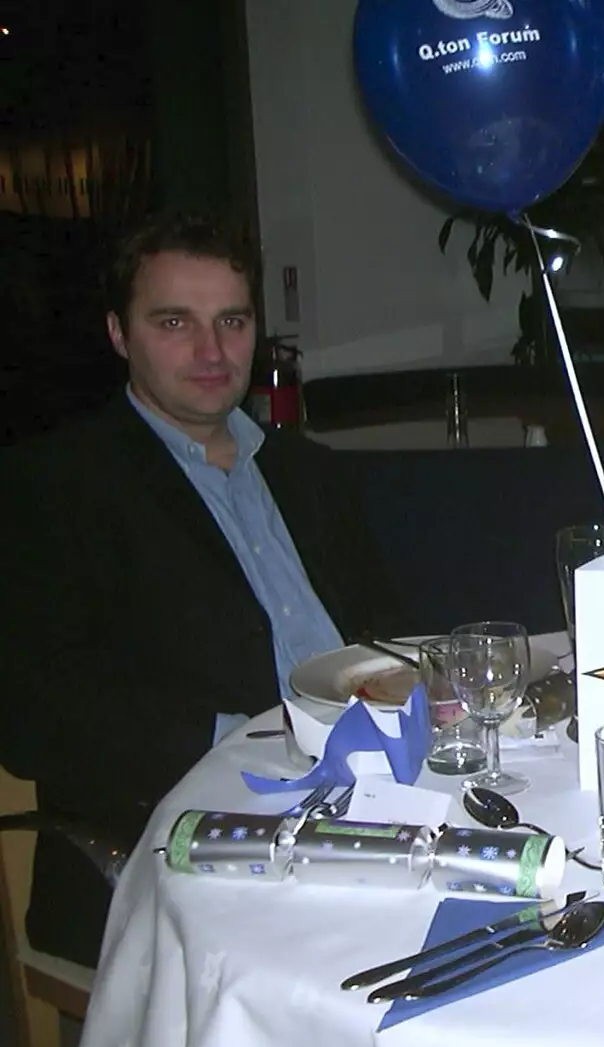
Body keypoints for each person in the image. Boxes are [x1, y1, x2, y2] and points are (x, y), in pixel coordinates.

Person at [0, 213, 405, 967]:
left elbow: (385, 633)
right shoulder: (51, 487)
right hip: (171, 843)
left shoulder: (309, 473)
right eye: (175, 322)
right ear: (120, 333)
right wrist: (247, 739)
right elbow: (35, 713)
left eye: (232, 320)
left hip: (369, 803)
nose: (213, 351)